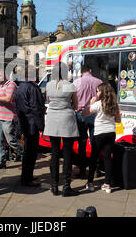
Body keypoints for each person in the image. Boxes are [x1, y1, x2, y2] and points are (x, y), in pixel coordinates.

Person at [44, 62, 80, 197]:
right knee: (67, 154)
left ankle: (54, 186)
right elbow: (75, 105)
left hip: (53, 119)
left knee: (54, 153)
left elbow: (48, 99)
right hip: (66, 120)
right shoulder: (71, 86)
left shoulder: (48, 85)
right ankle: (66, 186)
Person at [82, 83, 121, 193]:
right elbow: (118, 120)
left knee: (94, 157)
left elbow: (85, 114)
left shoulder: (98, 104)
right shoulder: (114, 105)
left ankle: (90, 183)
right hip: (111, 132)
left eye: (98, 91)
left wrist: (90, 104)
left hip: (99, 133)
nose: (97, 93)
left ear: (102, 92)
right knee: (108, 158)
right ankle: (107, 184)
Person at [14, 66, 45, 187]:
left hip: (24, 123)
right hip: (32, 124)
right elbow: (36, 109)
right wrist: (41, 126)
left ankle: (27, 176)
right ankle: (27, 179)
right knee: (31, 153)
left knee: (28, 152)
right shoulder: (33, 88)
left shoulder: (20, 87)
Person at [73, 64, 103, 178]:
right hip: (95, 114)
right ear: (90, 70)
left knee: (82, 143)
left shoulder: (76, 82)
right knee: (95, 142)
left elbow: (73, 98)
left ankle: (82, 170)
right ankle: (95, 169)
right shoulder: (99, 81)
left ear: (81, 72)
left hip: (81, 114)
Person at [0, 69, 23, 169]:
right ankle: (1, 161)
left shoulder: (11, 84)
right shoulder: (1, 86)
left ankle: (25, 158)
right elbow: (0, 101)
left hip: (9, 118)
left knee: (11, 141)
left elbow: (8, 99)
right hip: (0, 118)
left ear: (5, 75)